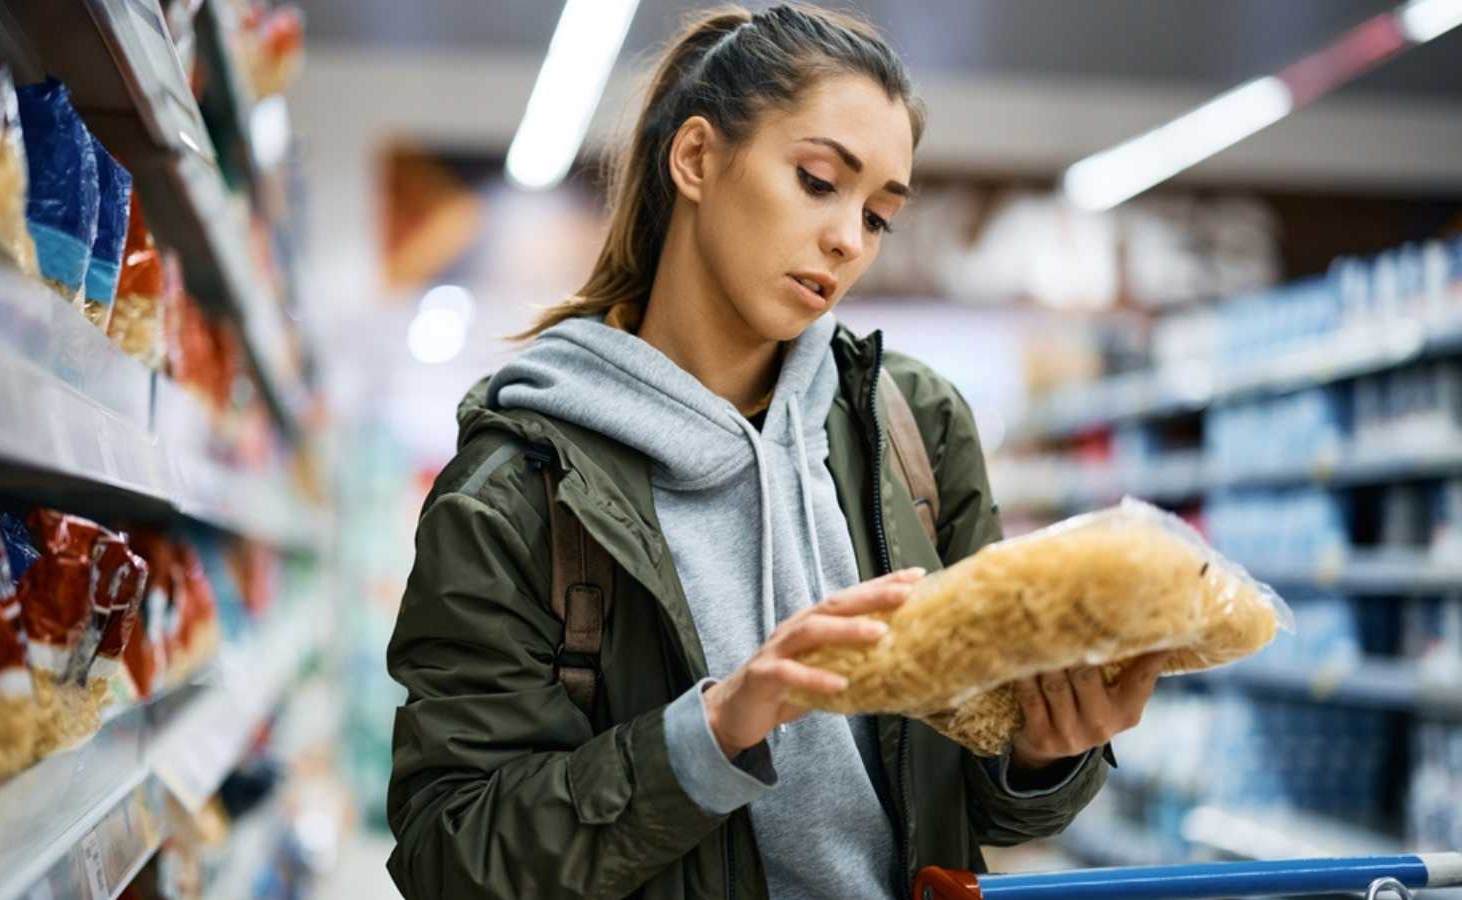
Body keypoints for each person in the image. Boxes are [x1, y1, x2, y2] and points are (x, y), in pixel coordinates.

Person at [385, 5, 1167, 898]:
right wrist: (710, 734)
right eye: (816, 180)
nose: (846, 239)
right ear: (696, 159)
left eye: (879, 216)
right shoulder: (517, 486)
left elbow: (975, 805)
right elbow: (449, 852)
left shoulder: (914, 427)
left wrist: (1040, 754)